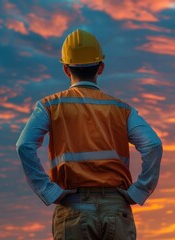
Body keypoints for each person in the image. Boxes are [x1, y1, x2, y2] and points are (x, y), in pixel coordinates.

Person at [16, 29, 163, 240]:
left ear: (66, 69)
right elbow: (153, 145)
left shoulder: (50, 106)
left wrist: (49, 191)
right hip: (116, 208)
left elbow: (24, 145)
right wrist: (139, 190)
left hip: (73, 208)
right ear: (100, 67)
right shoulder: (122, 109)